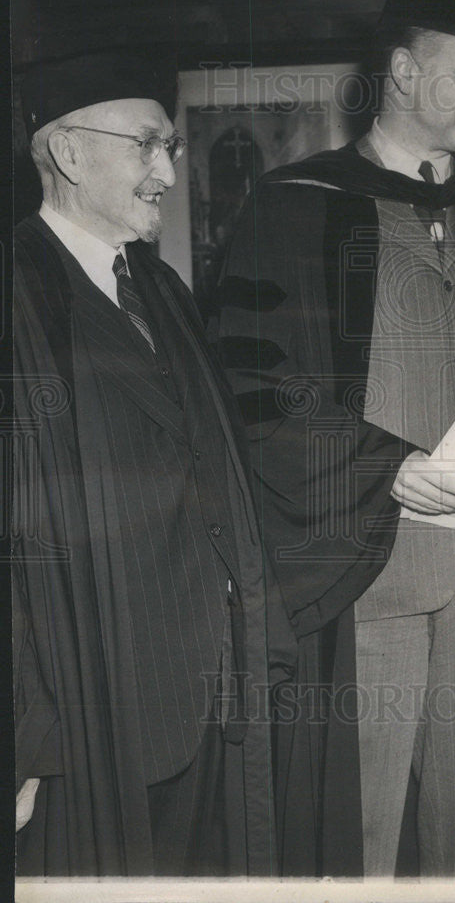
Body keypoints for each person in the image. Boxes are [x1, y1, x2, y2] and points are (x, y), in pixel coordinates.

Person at [211, 0, 455, 877]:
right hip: (362, 565)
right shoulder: (294, 208)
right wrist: (378, 463)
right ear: (405, 73)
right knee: (362, 824)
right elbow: (249, 382)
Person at [13, 48, 297, 876]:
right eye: (147, 145)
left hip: (207, 689)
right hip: (88, 709)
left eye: (170, 147)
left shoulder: (161, 288)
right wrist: (22, 739)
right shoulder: (18, 296)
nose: (168, 172)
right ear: (69, 152)